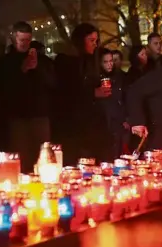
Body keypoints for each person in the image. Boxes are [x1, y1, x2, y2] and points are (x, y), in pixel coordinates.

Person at [0, 21, 55, 172]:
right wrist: (22, 71)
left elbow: (53, 83)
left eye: (28, 40)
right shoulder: (4, 62)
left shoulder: (43, 61)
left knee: (43, 157)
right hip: (17, 118)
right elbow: (1, 88)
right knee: (21, 157)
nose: (25, 43)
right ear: (14, 38)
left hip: (40, 116)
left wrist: (37, 69)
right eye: (22, 40)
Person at [54, 23, 110, 163]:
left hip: (92, 123)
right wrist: (93, 93)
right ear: (80, 40)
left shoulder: (91, 60)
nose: (95, 44)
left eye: (96, 41)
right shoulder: (65, 61)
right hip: (74, 126)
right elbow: (66, 91)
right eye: (91, 40)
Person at [98, 48, 129, 159]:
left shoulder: (119, 77)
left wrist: (125, 118)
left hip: (118, 123)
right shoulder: (97, 79)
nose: (109, 64)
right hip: (103, 123)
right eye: (105, 62)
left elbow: (122, 99)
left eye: (111, 61)